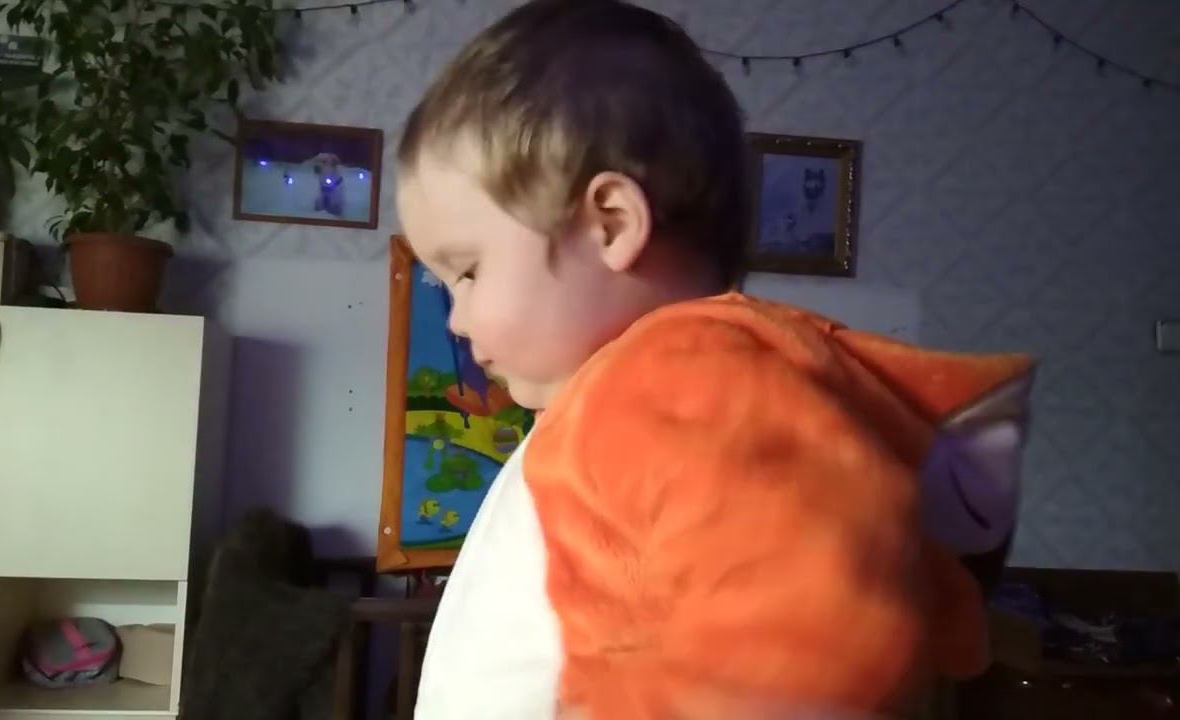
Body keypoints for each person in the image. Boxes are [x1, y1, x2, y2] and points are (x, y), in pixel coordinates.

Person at [394, 1, 1035, 718]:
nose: (456, 318)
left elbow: (796, 638)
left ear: (610, 225)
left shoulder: (670, 377)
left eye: (468, 272)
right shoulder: (625, 395)